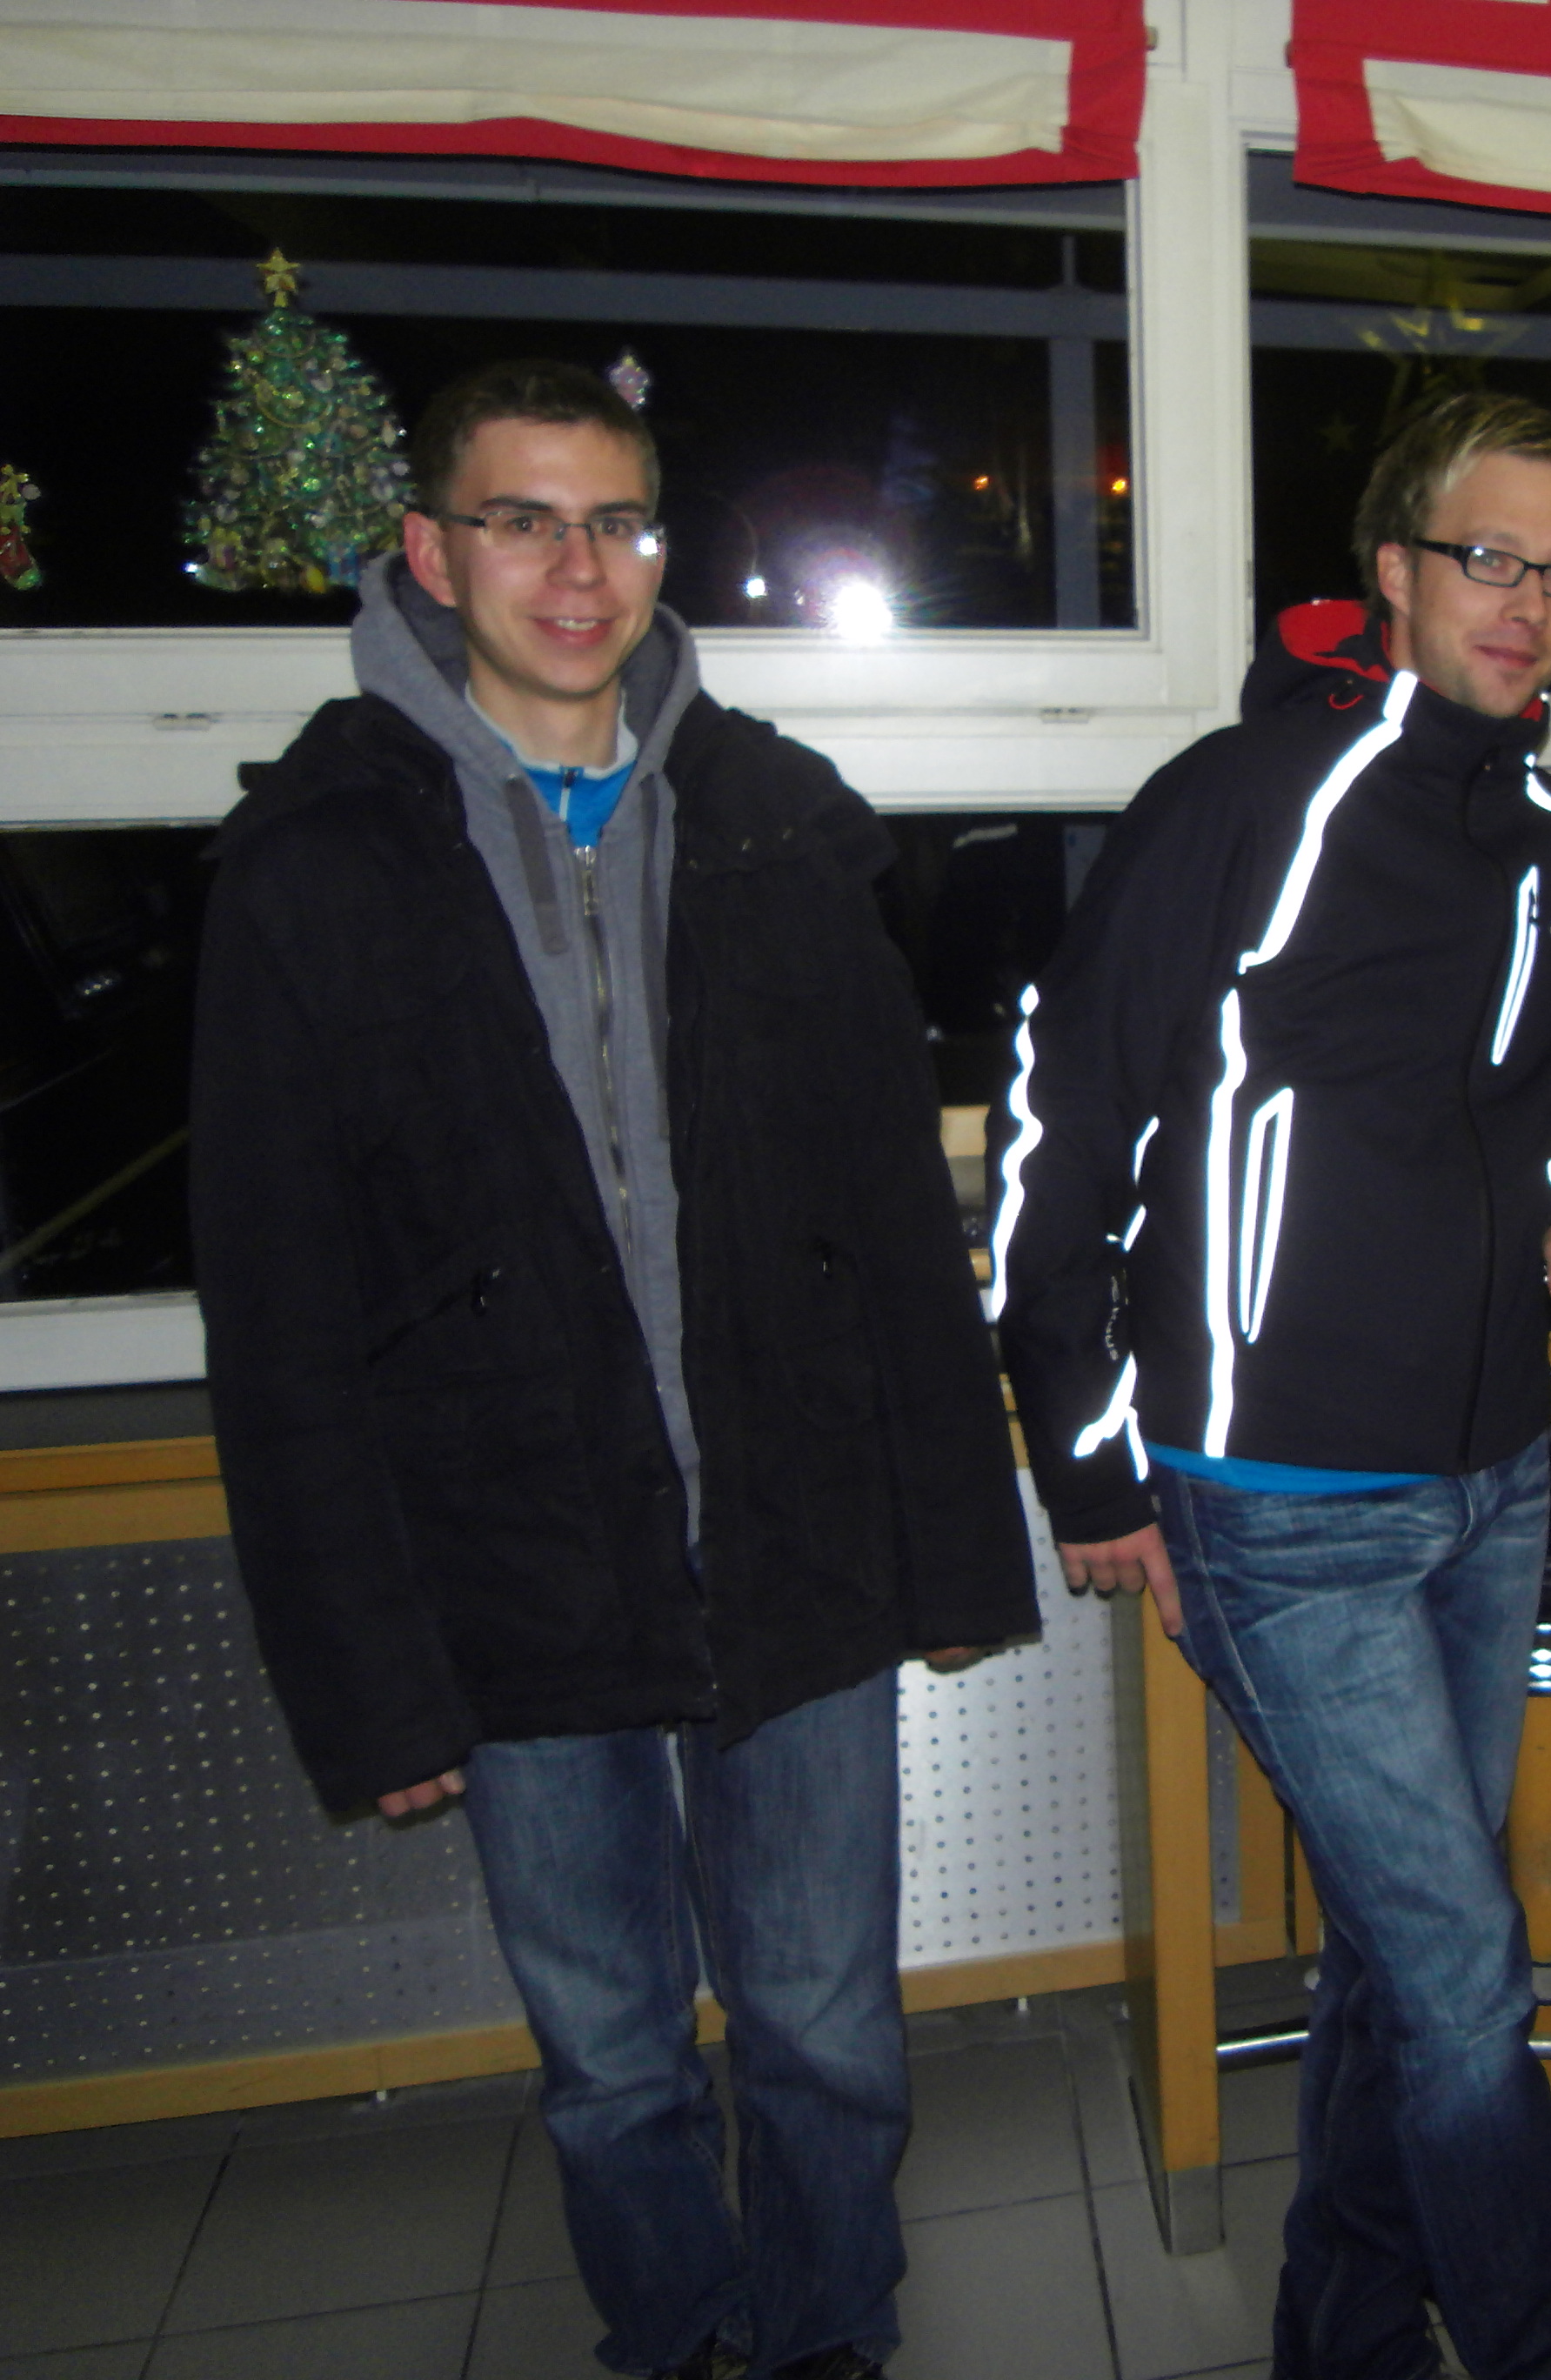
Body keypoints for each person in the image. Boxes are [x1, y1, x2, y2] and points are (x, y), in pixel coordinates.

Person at [192, 358, 1038, 2380]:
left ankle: (827, 2338)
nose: (579, 570)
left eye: (619, 521)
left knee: (825, 2027)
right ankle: (677, 2336)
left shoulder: (782, 829)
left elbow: (897, 1228)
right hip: (509, 1567)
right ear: (430, 550)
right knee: (609, 2056)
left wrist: (953, 1549)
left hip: (792, 1534)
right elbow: (280, 1317)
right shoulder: (315, 864)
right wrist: (366, 1678)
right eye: (524, 520)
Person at [991, 390, 1551, 2380]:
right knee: (1466, 1963)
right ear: (1394, 570)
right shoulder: (1249, 802)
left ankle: (1346, 2339)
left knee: (1399, 1947)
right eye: (1487, 557)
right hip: (1276, 1493)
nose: (1524, 602)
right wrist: (1089, 1464)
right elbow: (1062, 1116)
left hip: (1494, 1475)